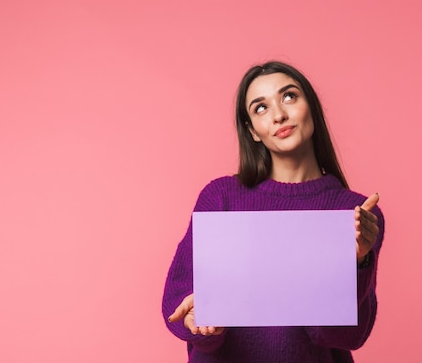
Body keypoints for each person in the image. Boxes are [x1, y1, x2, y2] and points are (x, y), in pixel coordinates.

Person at [162, 61, 384, 363]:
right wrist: (198, 321)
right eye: (260, 108)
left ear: (312, 108)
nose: (279, 114)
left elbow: (345, 336)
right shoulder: (221, 197)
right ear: (252, 131)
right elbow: (181, 296)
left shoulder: (355, 214)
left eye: (289, 96)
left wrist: (356, 262)